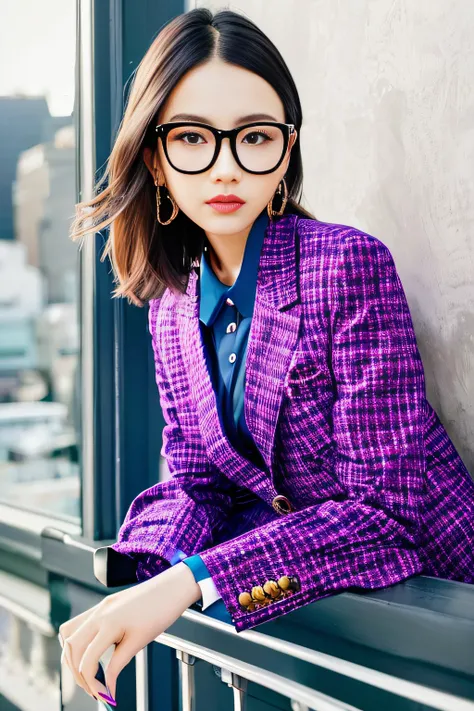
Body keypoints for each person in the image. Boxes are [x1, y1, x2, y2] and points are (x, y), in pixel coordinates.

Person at [59, 7, 474, 707]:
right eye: (193, 138)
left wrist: (189, 580)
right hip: (322, 619)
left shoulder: (346, 266)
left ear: (285, 150)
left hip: (436, 614)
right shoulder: (169, 309)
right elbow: (201, 482)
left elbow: (389, 511)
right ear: (155, 159)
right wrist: (145, 570)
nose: (226, 167)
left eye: (254, 137)